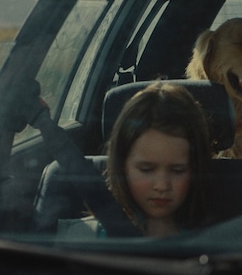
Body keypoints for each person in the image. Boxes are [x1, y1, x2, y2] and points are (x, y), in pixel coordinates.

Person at [21, 81, 214, 238]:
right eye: (146, 169)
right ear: (122, 166)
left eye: (177, 170)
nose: (162, 185)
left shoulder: (220, 243)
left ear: (195, 169)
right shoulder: (83, 238)